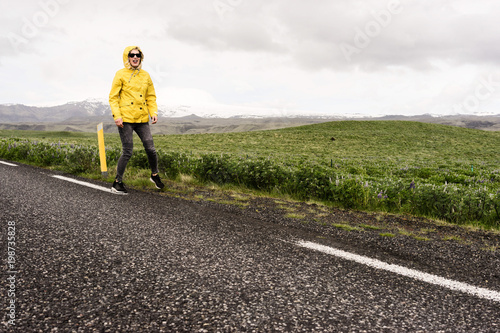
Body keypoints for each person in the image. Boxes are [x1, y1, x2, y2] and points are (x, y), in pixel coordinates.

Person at [109, 46, 164, 194]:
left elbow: (150, 97)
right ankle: (117, 183)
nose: (135, 57)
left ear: (141, 57)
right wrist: (117, 116)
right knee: (127, 151)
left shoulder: (146, 75)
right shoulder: (120, 74)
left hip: (141, 119)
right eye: (132, 55)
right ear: (127, 57)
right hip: (125, 119)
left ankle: (154, 175)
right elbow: (113, 97)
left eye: (138, 55)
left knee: (151, 149)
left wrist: (153, 112)